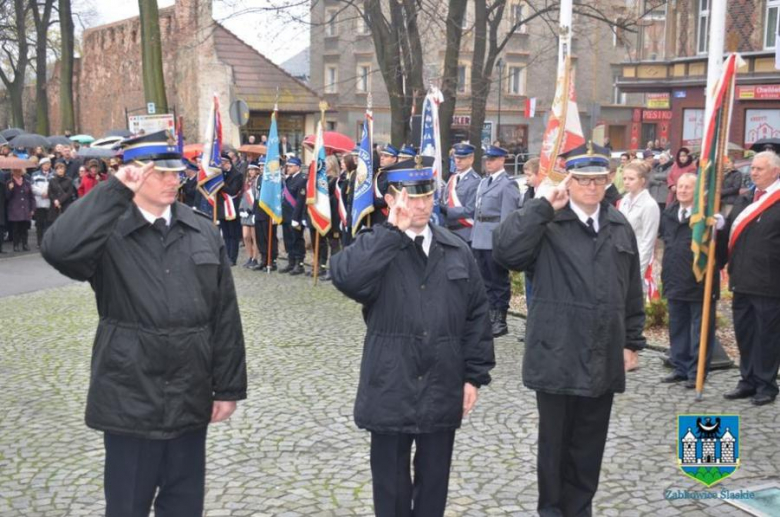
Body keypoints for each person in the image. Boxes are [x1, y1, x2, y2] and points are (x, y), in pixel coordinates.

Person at [41, 132, 248, 516]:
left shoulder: (201, 229)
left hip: (190, 392)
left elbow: (224, 314)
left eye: (177, 173)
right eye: (162, 173)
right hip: (130, 394)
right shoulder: (107, 230)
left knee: (184, 506)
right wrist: (112, 191)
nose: (174, 181)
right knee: (127, 506)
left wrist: (228, 387)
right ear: (135, 174)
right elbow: (58, 248)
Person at [330, 156, 495, 517]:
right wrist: (391, 232)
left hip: (442, 381)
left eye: (426, 196)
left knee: (434, 483)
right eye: (410, 197)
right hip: (391, 381)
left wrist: (474, 376)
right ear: (390, 199)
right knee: (390, 487)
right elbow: (346, 277)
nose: (420, 205)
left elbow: (477, 316)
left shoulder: (455, 249)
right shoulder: (377, 244)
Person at [493, 142, 646, 517]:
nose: (591, 188)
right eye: (582, 180)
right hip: (557, 352)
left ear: (609, 181)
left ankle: (580, 510)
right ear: (569, 181)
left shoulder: (617, 223)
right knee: (555, 446)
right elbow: (506, 252)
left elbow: (631, 289)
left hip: (603, 352)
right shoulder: (547, 223)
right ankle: (552, 511)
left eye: (598, 180)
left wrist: (632, 340)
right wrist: (541, 206)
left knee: (589, 445)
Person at [722, 150, 780, 406]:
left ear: (775, 172)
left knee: (767, 336)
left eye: (759, 169)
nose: (753, 172)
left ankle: (766, 384)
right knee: (745, 333)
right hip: (741, 279)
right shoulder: (745, 200)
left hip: (770, 282)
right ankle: (747, 379)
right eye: (753, 168)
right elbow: (731, 232)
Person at [659, 173, 720, 389]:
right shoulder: (669, 213)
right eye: (680, 186)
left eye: (688, 187)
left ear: (697, 192)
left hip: (698, 282)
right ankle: (681, 367)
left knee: (699, 331)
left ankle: (697, 372)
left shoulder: (706, 218)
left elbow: (718, 253)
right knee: (678, 327)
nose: (683, 190)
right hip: (675, 279)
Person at [471, 145, 521, 337]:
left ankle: (500, 319)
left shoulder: (507, 184)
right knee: (485, 280)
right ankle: (489, 315)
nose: (488, 163)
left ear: (502, 160)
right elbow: (477, 211)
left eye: (492, 159)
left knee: (498, 280)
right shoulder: (484, 182)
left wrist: (504, 241)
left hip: (495, 237)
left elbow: (507, 216)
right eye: (486, 160)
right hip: (480, 235)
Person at [618, 161, 660, 278]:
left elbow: (648, 240)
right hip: (623, 254)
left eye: (631, 179)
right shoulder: (624, 201)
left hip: (639, 256)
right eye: (624, 178)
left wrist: (638, 271)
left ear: (642, 181)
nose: (626, 182)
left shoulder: (649, 205)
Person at [440, 143, 480, 243]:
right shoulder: (453, 177)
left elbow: (470, 210)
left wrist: (447, 210)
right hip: (448, 231)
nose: (458, 161)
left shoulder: (475, 181)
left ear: (471, 159)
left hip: (464, 232)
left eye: (462, 158)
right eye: (456, 157)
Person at [217, 152, 244, 266]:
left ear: (228, 163)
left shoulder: (237, 175)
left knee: (233, 235)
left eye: (222, 163)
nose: (221, 165)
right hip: (222, 207)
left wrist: (221, 183)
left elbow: (233, 190)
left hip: (232, 208)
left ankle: (233, 258)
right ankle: (227, 256)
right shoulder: (220, 174)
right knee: (226, 234)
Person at [281, 156, 307, 275]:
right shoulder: (289, 179)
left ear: (298, 167)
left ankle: (299, 264)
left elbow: (300, 200)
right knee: (288, 240)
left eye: (290, 166)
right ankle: (291, 262)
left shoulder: (302, 179)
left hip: (295, 216)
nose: (288, 168)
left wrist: (296, 218)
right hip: (286, 215)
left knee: (297, 240)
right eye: (287, 166)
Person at [253, 156, 280, 271]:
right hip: (259, 211)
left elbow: (275, 197)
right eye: (260, 165)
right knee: (260, 237)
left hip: (269, 211)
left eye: (263, 165)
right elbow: (256, 197)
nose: (261, 167)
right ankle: (264, 258)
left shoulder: (272, 179)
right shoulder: (259, 178)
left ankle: (271, 260)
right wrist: (254, 212)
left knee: (269, 236)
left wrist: (275, 214)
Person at [5, 167, 36, 251]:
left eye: (19, 171)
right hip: (15, 209)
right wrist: (10, 189)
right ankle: (16, 245)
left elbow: (31, 197)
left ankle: (25, 244)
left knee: (24, 229)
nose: (18, 173)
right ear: (12, 172)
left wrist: (32, 208)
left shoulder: (27, 183)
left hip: (25, 209)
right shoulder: (9, 182)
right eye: (15, 171)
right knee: (16, 229)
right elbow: (7, 197)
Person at [239, 162, 260, 268]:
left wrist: (250, 210)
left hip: (253, 212)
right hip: (245, 212)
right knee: (245, 236)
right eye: (250, 170)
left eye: (253, 169)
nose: (251, 172)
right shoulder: (246, 183)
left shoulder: (259, 181)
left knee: (254, 236)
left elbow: (257, 198)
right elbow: (243, 197)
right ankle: (249, 256)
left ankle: (255, 258)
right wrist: (241, 209)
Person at [372, 144, 399, 226]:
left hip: (386, 216)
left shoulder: (395, 175)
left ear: (394, 159)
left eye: (386, 156)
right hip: (375, 216)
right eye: (381, 155)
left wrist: (371, 202)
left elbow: (392, 197)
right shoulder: (379, 174)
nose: (382, 158)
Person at [31, 157, 54, 247]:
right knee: (39, 224)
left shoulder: (53, 174)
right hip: (39, 203)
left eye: (48, 164)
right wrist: (42, 192)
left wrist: (48, 193)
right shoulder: (35, 174)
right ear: (41, 165)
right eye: (44, 164)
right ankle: (39, 242)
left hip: (49, 202)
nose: (46, 166)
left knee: (49, 223)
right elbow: (32, 187)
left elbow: (54, 186)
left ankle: (48, 242)